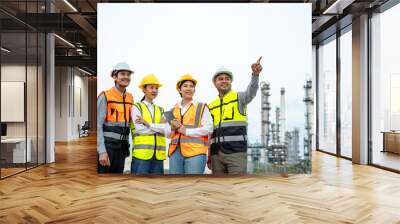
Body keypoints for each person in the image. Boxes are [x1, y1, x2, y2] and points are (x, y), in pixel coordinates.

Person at [208, 57, 263, 175]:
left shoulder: (240, 98)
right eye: (220, 79)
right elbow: (209, 133)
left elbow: (251, 91)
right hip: (216, 155)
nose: (224, 81)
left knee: (237, 188)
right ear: (215, 83)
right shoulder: (211, 106)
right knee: (218, 189)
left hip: (236, 153)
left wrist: (255, 75)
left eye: (227, 79)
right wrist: (209, 155)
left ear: (231, 82)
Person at [168, 74, 213, 174]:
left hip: (195, 153)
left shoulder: (202, 107)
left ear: (194, 90)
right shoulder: (173, 110)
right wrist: (172, 128)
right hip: (175, 152)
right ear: (179, 90)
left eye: (191, 86)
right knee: (175, 186)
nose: (189, 88)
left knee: (192, 186)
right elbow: (168, 135)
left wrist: (186, 131)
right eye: (185, 86)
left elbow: (209, 128)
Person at [97, 62, 134, 173]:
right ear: (114, 76)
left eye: (128, 75)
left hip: (122, 148)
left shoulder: (130, 98)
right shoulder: (105, 96)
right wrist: (102, 151)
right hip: (108, 147)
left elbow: (131, 123)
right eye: (122, 74)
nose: (126, 77)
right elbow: (97, 124)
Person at [131, 74, 167, 175]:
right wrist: (158, 127)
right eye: (151, 87)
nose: (154, 90)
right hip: (141, 156)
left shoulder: (161, 109)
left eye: (156, 88)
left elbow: (166, 130)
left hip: (158, 156)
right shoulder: (137, 107)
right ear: (144, 89)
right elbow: (140, 130)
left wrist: (147, 124)